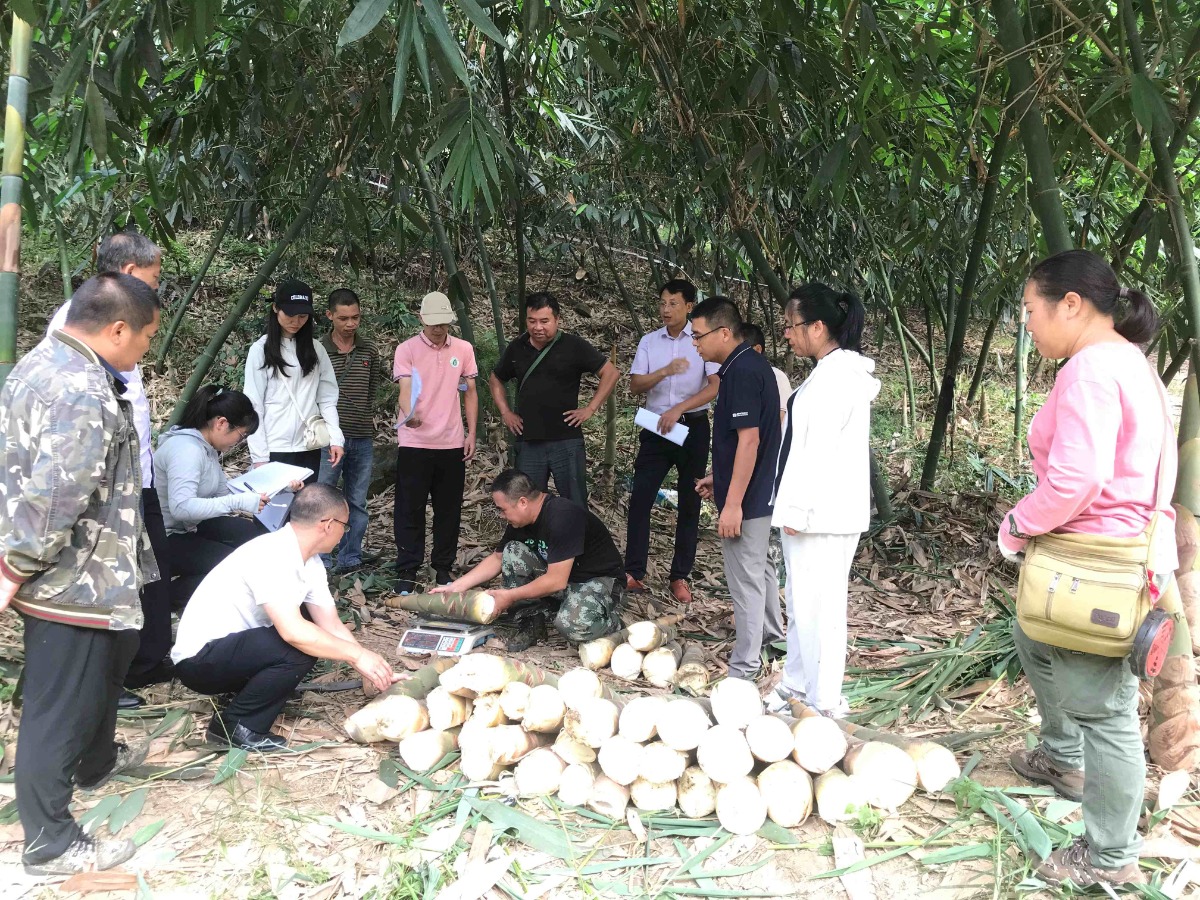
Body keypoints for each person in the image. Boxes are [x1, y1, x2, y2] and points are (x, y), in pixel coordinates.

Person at [998, 250, 1169, 889]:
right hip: (1121, 548)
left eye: (1029, 309)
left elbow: (1077, 479)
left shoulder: (1090, 370)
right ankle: (1061, 756)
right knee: (1031, 636)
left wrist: (1017, 524)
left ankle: (1108, 854)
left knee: (1105, 709)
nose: (1026, 323)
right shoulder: (1129, 361)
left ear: (1070, 304)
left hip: (1095, 562)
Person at [3, 273, 161, 875]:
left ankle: (95, 762)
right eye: (146, 337)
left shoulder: (44, 363)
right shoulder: (80, 389)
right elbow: (56, 496)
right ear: (117, 329)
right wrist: (14, 569)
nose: (146, 348)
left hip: (92, 572)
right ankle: (50, 841)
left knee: (101, 673)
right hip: (72, 578)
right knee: (58, 707)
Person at [171, 485, 401, 752]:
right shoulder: (273, 554)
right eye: (345, 526)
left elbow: (330, 623)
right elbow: (293, 632)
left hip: (229, 651)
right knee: (298, 644)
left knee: (309, 629)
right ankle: (237, 726)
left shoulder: (309, 561)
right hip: (199, 661)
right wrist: (357, 656)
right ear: (328, 525)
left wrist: (370, 667)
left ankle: (246, 697)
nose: (344, 533)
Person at [45, 231, 169, 709]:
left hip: (135, 475)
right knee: (106, 582)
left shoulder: (125, 320)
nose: (157, 286)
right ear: (131, 272)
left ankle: (143, 663)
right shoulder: (81, 325)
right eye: (154, 278)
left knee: (148, 572)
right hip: (103, 484)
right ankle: (101, 685)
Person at [768, 284, 878, 718]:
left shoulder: (837, 379)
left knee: (821, 610)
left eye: (790, 325)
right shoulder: (830, 372)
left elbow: (818, 452)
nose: (787, 334)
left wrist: (797, 509)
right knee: (802, 605)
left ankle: (824, 702)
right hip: (817, 512)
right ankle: (796, 686)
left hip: (822, 515)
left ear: (817, 327)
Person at [691, 297, 784, 680]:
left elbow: (750, 441)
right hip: (756, 490)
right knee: (760, 570)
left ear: (724, 333)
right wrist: (720, 476)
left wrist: (732, 504)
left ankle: (744, 668)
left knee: (745, 580)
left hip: (748, 499)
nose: (695, 343)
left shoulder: (743, 371)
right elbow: (745, 442)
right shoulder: (747, 366)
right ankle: (773, 640)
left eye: (699, 336)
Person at [436, 470, 624, 650]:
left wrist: (509, 596)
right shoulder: (520, 521)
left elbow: (556, 581)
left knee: (573, 626)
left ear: (523, 502)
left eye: (503, 510)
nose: (501, 516)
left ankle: (613, 624)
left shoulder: (562, 516)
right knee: (512, 550)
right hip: (565, 582)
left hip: (599, 582)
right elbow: (497, 558)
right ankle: (531, 620)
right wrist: (456, 587)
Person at [624, 280, 719, 604]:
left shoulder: (702, 340)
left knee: (690, 502)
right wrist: (665, 371)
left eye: (673, 303)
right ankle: (634, 572)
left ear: (690, 306)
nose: (666, 309)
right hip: (655, 427)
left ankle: (680, 576)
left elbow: (714, 386)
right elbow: (636, 385)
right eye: (662, 303)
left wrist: (680, 408)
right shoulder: (650, 341)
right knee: (641, 497)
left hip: (692, 427)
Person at [489, 292, 620, 505]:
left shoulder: (573, 346)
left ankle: (574, 529)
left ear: (557, 320)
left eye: (544, 321)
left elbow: (611, 373)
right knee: (527, 503)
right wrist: (505, 412)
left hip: (566, 439)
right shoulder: (517, 347)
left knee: (574, 502)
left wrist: (590, 408)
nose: (537, 327)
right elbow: (496, 379)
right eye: (532, 321)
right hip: (528, 439)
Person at [155, 385, 275, 606]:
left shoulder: (207, 449)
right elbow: (181, 507)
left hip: (191, 527)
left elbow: (223, 492)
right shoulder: (187, 450)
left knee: (254, 539)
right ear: (221, 423)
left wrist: (276, 485)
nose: (239, 442)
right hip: (166, 536)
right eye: (241, 436)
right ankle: (164, 597)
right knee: (234, 569)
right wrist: (240, 501)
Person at [393, 292, 479, 592]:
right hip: (415, 441)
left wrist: (471, 433)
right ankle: (407, 569)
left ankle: (442, 567)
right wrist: (409, 413)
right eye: (433, 324)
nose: (439, 329)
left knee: (448, 510)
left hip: (451, 440)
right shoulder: (407, 349)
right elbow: (404, 388)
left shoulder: (463, 349)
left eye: (443, 323)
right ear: (421, 319)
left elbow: (470, 391)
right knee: (410, 508)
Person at [244, 279, 344, 482]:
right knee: (274, 502)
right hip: (274, 446)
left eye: (302, 316)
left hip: (308, 444)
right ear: (275, 308)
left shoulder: (316, 349)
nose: (296, 321)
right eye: (290, 314)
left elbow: (327, 398)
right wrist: (259, 456)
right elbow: (254, 404)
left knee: (306, 502)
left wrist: (336, 438)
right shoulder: (260, 350)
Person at [317, 288, 382, 571]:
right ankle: (320, 557)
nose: (350, 324)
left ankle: (350, 556)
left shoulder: (369, 350)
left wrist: (365, 419)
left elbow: (372, 391)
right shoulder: (318, 349)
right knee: (323, 498)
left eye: (355, 317)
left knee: (357, 501)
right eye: (343, 318)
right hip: (328, 439)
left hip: (361, 436)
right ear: (330, 315)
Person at [738, 322, 792, 423]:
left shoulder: (776, 376)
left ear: (757, 349)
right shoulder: (736, 379)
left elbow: (781, 421)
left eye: (738, 351)